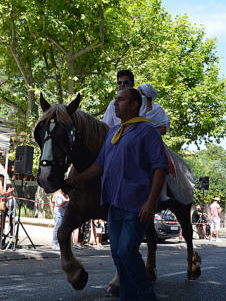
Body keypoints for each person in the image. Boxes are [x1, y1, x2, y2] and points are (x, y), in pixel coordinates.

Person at [66, 87, 168, 300]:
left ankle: (148, 296)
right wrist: (76, 180)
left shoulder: (148, 131)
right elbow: (99, 165)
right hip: (113, 205)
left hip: (136, 206)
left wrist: (151, 203)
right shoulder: (113, 132)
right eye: (115, 99)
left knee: (126, 251)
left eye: (120, 100)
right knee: (117, 255)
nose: (115, 103)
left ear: (134, 105)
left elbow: (160, 168)